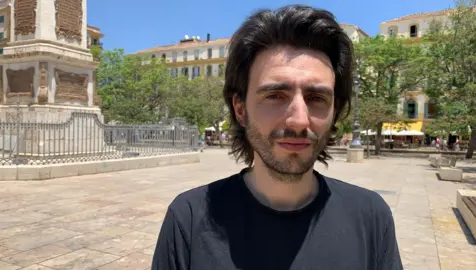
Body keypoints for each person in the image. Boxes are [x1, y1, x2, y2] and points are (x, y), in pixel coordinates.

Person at [152, 5, 402, 270]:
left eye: (317, 98)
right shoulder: (188, 219)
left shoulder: (371, 218)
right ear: (240, 109)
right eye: (274, 96)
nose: (299, 120)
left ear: (335, 111)